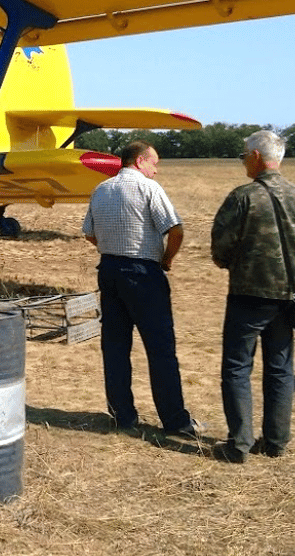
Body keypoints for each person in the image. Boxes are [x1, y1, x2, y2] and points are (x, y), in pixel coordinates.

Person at [82, 141, 203, 438]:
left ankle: (122, 416)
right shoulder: (149, 188)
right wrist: (167, 258)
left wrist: (113, 250)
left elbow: (89, 233)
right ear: (139, 161)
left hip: (109, 270)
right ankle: (175, 420)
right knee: (161, 349)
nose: (156, 169)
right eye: (154, 163)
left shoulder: (101, 189)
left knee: (115, 347)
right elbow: (175, 229)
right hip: (143, 272)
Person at [209, 130, 295, 463]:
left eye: (243, 156)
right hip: (289, 296)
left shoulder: (244, 196)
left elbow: (220, 246)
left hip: (249, 295)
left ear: (255, 157)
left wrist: (230, 262)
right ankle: (276, 442)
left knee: (238, 368)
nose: (243, 162)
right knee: (280, 369)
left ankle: (239, 443)